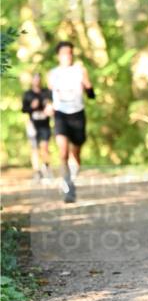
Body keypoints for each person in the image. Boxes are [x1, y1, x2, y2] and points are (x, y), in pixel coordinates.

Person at [47, 41, 95, 203]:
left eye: (70, 52)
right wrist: (48, 105)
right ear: (58, 56)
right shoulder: (53, 73)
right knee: (63, 153)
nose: (68, 55)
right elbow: (48, 95)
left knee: (76, 152)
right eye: (64, 53)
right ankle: (67, 185)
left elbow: (91, 95)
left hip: (78, 114)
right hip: (60, 114)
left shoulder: (80, 71)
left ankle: (72, 179)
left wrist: (88, 84)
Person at [21, 72, 52, 181]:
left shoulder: (46, 92)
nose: (37, 81)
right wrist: (31, 106)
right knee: (34, 149)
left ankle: (46, 168)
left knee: (45, 147)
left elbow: (52, 105)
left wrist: (49, 109)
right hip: (32, 125)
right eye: (35, 79)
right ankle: (37, 172)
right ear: (32, 81)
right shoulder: (28, 94)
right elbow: (23, 109)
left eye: (39, 79)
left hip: (45, 124)